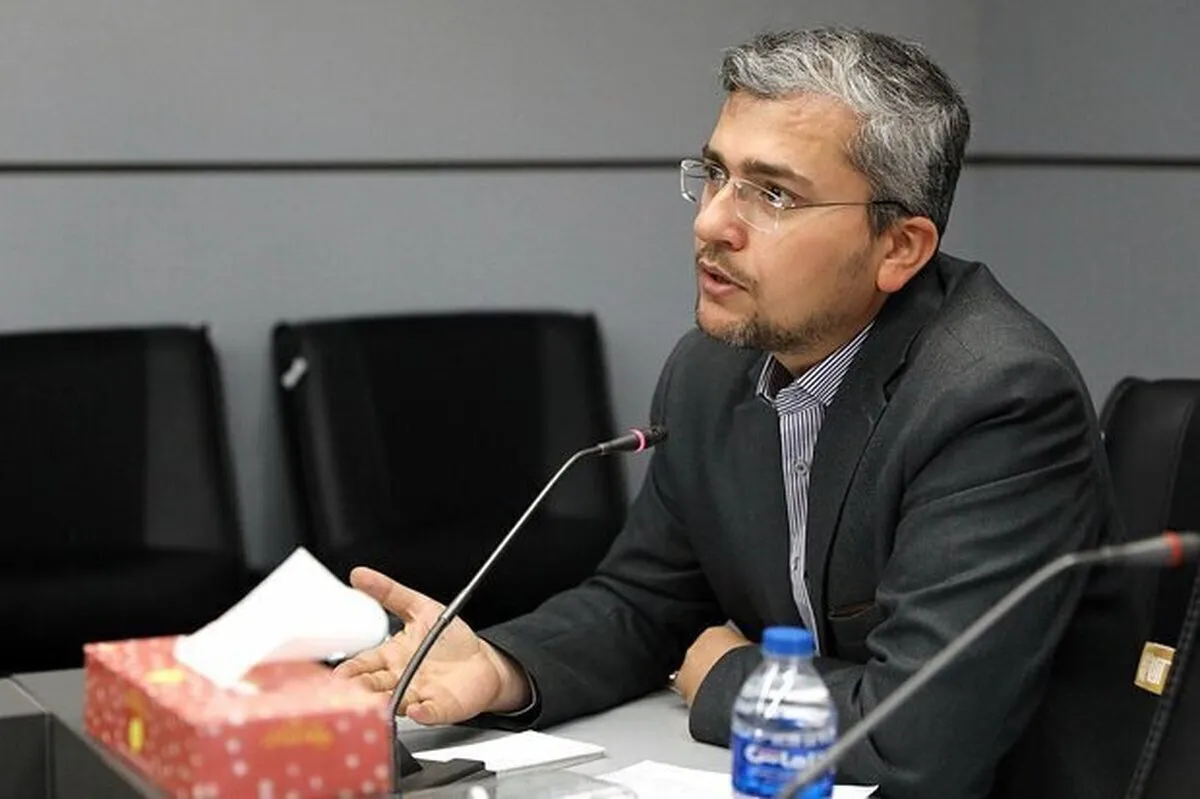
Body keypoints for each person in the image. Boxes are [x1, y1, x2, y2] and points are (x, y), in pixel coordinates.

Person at [335, 28, 1154, 798]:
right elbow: (646, 600)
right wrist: (502, 666)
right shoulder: (712, 368)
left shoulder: (994, 396)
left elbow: (918, 738)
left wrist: (727, 676)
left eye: (773, 194)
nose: (711, 222)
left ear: (899, 248)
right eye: (714, 174)